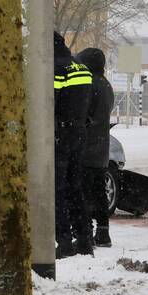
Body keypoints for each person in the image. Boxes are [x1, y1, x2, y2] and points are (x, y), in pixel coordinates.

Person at [53, 32, 92, 258]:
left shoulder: (55, 69)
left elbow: (49, 102)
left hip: (59, 136)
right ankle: (85, 238)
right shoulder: (81, 67)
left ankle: (64, 240)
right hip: (79, 134)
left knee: (57, 191)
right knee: (75, 188)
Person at [76, 47, 115, 248]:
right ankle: (103, 232)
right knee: (99, 192)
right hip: (101, 148)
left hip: (85, 147)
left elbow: (83, 113)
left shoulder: (89, 83)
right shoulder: (106, 85)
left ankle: (86, 233)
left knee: (81, 192)